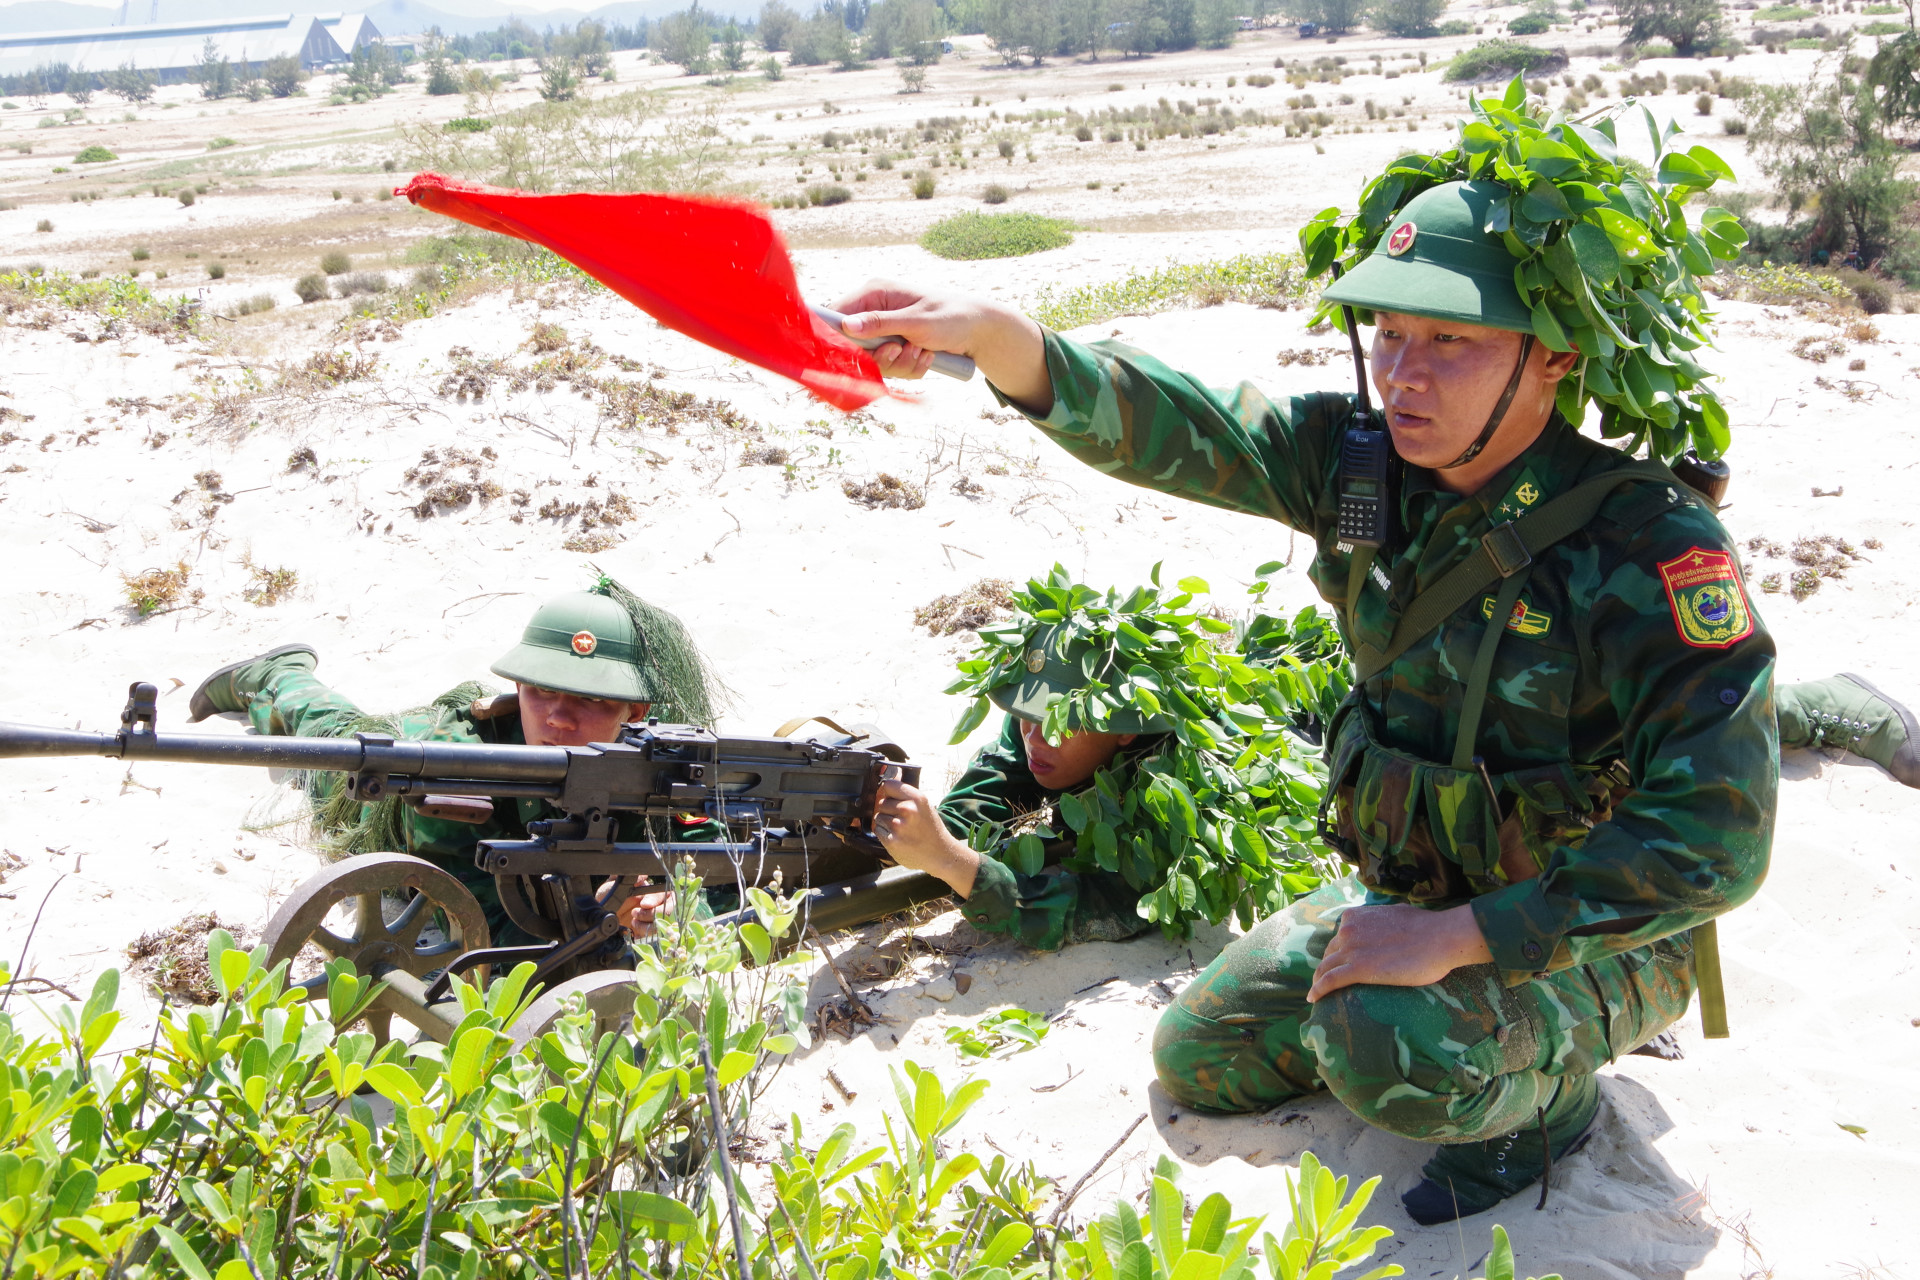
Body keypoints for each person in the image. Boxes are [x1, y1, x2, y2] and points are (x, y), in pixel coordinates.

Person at [836, 177, 1782, 1225]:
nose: (1404, 376)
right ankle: (1423, 1014)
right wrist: (994, 337)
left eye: (1451, 342)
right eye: (1387, 333)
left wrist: (1463, 935)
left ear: (1553, 352)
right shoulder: (1361, 465)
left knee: (1382, 1042)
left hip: (1587, 933)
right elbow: (1175, 420)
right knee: (1200, 1059)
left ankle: (1544, 1106)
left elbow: (1717, 841)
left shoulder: (1646, 544)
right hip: (1420, 894)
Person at [188, 575, 727, 947]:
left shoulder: (651, 762)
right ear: (517, 686)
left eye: (591, 700)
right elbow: (486, 931)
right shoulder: (461, 779)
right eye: (542, 693)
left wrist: (675, 903)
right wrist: (603, 918)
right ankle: (276, 674)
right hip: (384, 792)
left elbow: (724, 866)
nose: (559, 718)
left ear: (635, 710)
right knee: (327, 734)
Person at [874, 620, 1171, 952]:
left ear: (1123, 730)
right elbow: (981, 800)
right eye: (1028, 713)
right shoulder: (1033, 732)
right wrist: (888, 827)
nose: (1034, 735)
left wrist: (949, 861)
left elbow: (1097, 906)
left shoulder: (1164, 793)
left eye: (1061, 721)